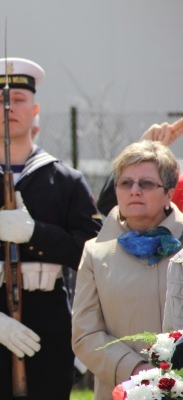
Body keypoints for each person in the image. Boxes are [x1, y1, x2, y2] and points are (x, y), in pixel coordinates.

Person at [0, 58, 103, 399]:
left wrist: (36, 234)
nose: (8, 107)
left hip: (47, 326)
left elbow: (94, 255)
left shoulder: (65, 180)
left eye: (17, 98)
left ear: (35, 110)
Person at [72, 140, 183, 400]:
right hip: (123, 392)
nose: (134, 191)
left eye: (146, 183)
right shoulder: (95, 253)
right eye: (125, 183)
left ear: (168, 193)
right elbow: (85, 335)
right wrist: (137, 370)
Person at [96, 119, 183, 216]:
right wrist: (143, 152)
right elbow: (109, 206)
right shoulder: (179, 186)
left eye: (147, 183)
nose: (134, 191)